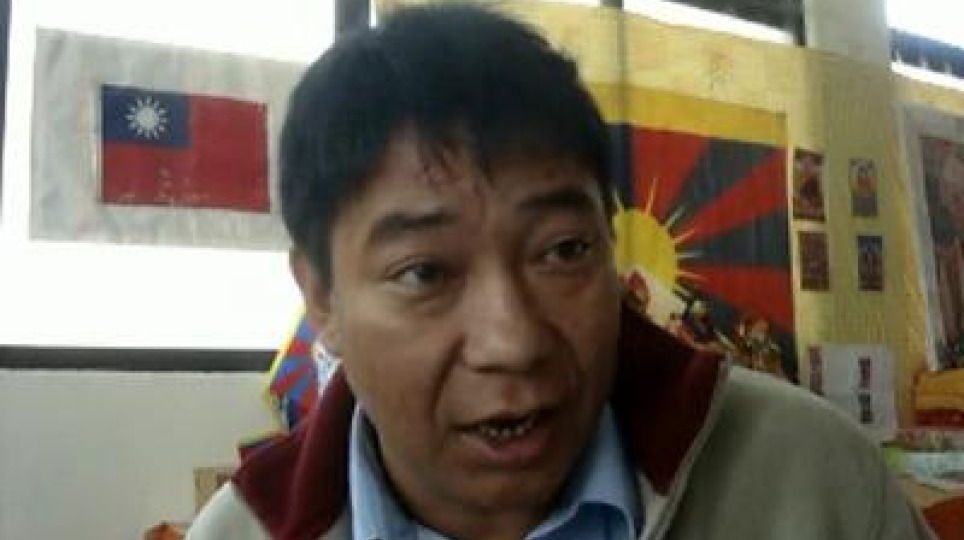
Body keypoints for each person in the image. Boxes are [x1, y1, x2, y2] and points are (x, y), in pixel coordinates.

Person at [187, 4, 936, 540]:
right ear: (322, 298)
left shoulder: (815, 481)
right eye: (424, 273)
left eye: (563, 251)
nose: (512, 341)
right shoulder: (242, 531)